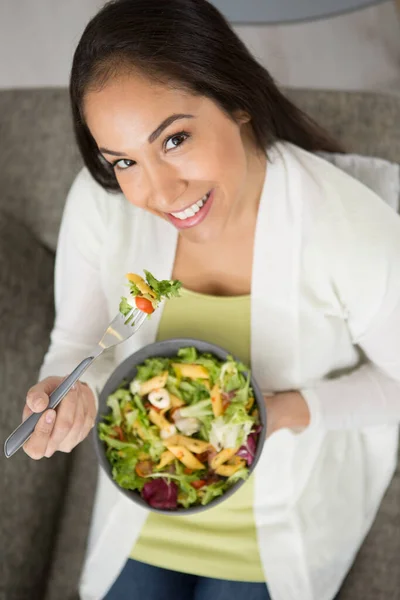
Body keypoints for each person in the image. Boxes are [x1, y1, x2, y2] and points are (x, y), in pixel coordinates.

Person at [21, 1, 400, 599]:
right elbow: (78, 345)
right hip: (144, 508)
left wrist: (285, 411)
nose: (159, 193)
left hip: (273, 526)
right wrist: (70, 394)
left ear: (238, 99)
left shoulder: (347, 229)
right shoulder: (103, 208)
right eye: (124, 161)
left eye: (174, 139)